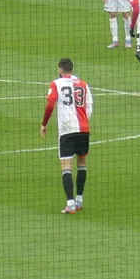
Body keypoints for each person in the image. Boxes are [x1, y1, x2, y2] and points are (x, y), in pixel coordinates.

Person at [39, 58, 93, 214]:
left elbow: (50, 103)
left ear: (60, 69)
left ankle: (70, 204)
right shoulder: (83, 84)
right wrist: (83, 121)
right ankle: (79, 200)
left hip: (67, 130)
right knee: (82, 163)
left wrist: (44, 123)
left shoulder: (56, 83)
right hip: (83, 129)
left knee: (66, 166)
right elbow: (89, 106)